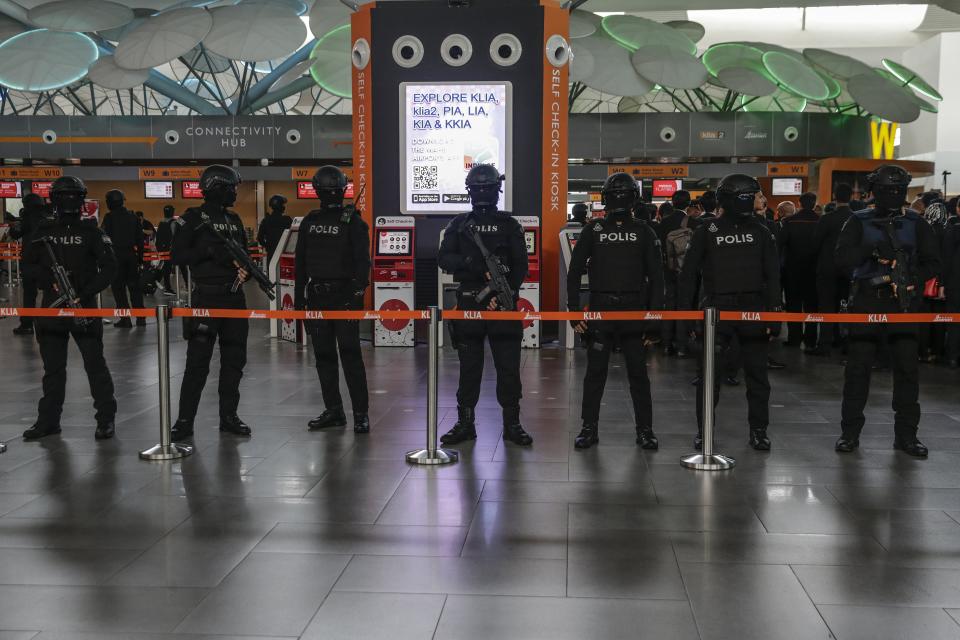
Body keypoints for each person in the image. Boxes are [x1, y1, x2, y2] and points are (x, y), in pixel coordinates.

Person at [835, 165, 940, 457]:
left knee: (907, 371)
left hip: (903, 304)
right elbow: (842, 261)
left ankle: (907, 436)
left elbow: (933, 262)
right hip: (868, 300)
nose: (892, 195)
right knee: (858, 371)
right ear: (874, 191)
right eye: (886, 190)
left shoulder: (917, 223)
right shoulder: (858, 220)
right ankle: (849, 433)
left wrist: (907, 278)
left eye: (897, 190)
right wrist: (871, 253)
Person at [680, 174, 781, 451]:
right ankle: (704, 431)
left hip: (753, 309)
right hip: (716, 310)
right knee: (708, 376)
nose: (751, 201)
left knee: (758, 375)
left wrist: (775, 313)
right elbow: (689, 275)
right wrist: (685, 316)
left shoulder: (762, 230)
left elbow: (773, 274)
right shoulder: (707, 230)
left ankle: (759, 430)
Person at [566, 173, 664, 450]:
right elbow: (574, 272)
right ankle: (589, 427)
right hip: (601, 311)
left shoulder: (645, 231)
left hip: (633, 311)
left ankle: (645, 429)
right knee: (595, 373)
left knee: (638, 374)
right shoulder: (593, 230)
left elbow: (657, 277)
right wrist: (574, 311)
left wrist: (654, 320)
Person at [438, 164, 532, 447]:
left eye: (483, 188)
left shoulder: (509, 225)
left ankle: (512, 424)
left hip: (502, 302)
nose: (481, 193)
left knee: (508, 368)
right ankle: (465, 423)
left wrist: (502, 292)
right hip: (469, 300)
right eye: (477, 189)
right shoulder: (459, 224)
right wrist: (474, 265)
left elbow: (520, 267)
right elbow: (445, 259)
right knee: (469, 368)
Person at [21, 176, 118, 440]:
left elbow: (110, 267)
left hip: (84, 308)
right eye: (64, 196)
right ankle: (48, 421)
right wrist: (47, 280)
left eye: (74, 196)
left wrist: (85, 291)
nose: (69, 201)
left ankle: (105, 419)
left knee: (95, 365)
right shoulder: (42, 231)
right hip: (51, 310)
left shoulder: (91, 231)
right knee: (53, 369)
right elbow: (26, 267)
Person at [170, 164, 253, 442]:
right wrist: (210, 251)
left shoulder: (235, 220)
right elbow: (178, 256)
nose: (235, 193)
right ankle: (184, 422)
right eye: (231, 187)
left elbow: (246, 257)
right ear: (217, 188)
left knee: (234, 362)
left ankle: (228, 417)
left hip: (234, 297)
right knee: (197, 363)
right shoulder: (192, 219)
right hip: (206, 297)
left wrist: (246, 271)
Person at [294, 167, 372, 434]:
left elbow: (363, 266)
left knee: (348, 357)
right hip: (321, 297)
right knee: (326, 357)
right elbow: (302, 263)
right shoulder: (314, 221)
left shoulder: (349, 222)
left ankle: (360, 413)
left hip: (340, 299)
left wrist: (354, 296)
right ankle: (335, 411)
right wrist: (299, 302)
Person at [813, 184, 856, 355]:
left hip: (827, 269)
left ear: (834, 196)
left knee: (826, 306)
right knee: (847, 306)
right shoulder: (856, 218)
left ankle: (824, 343)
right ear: (851, 196)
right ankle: (844, 341)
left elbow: (815, 243)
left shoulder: (826, 219)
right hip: (849, 270)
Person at [779, 191, 820, 350]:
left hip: (793, 270)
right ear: (815, 203)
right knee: (812, 305)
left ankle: (794, 338)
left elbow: (781, 244)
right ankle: (810, 339)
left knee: (793, 304)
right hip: (814, 270)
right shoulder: (821, 221)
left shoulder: (789, 222)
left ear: (800, 203)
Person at [658, 195, 699, 357]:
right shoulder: (694, 223)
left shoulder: (663, 223)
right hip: (687, 272)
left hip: (667, 270)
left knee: (669, 305)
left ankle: (667, 344)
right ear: (688, 204)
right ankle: (682, 345)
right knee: (684, 306)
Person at [101, 190, 146, 328]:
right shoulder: (133, 217)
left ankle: (125, 320)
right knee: (135, 288)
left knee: (118, 289)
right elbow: (140, 240)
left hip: (116, 257)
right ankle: (141, 318)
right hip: (131, 256)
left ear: (110, 202)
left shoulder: (109, 217)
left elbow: (104, 239)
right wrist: (140, 259)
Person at [10, 193, 48, 335]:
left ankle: (27, 325)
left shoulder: (27, 217)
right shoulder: (47, 217)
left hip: (30, 261)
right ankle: (48, 322)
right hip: (46, 261)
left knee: (29, 295)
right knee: (50, 293)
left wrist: (15, 225)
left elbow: (15, 233)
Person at [918, 202, 950, 362]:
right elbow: (945, 261)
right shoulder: (946, 232)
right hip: (941, 282)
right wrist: (943, 284)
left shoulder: (924, 232)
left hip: (924, 280)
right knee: (939, 320)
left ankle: (923, 351)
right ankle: (937, 351)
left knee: (923, 319)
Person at [257, 194, 293, 265]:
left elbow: (260, 237)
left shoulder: (266, 220)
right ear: (281, 206)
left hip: (271, 254)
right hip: (284, 254)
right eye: (283, 205)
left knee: (271, 274)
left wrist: (268, 246)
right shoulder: (287, 220)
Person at [155, 205, 177, 294]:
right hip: (170, 248)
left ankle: (163, 284)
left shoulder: (161, 222)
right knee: (170, 267)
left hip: (161, 248)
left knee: (166, 267)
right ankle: (168, 288)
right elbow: (175, 235)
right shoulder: (174, 222)